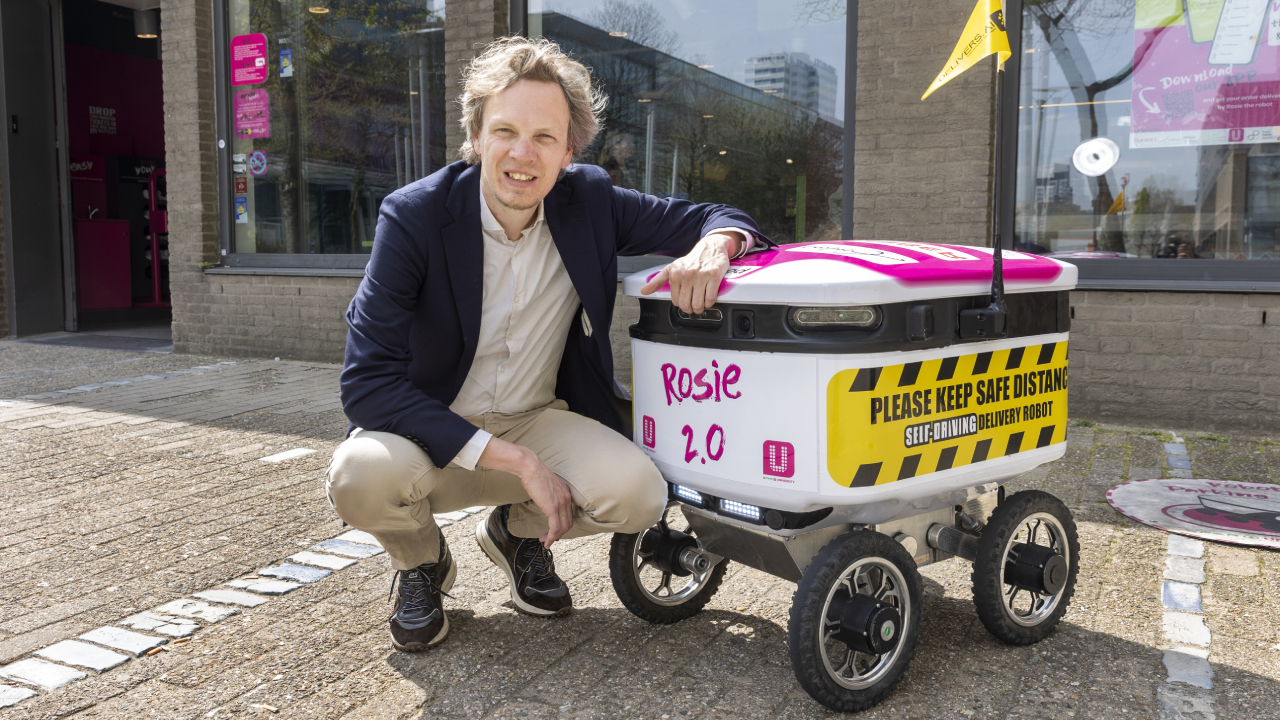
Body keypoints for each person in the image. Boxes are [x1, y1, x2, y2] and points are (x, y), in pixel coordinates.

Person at [326, 36, 768, 652]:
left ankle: (518, 535)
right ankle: (422, 562)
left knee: (640, 495)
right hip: (432, 434)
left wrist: (717, 247)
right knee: (359, 476)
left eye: (544, 138)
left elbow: (722, 217)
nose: (521, 155)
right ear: (477, 136)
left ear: (568, 152)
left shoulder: (589, 202)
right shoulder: (416, 217)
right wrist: (520, 465)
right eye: (505, 131)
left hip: (538, 418)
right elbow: (366, 385)